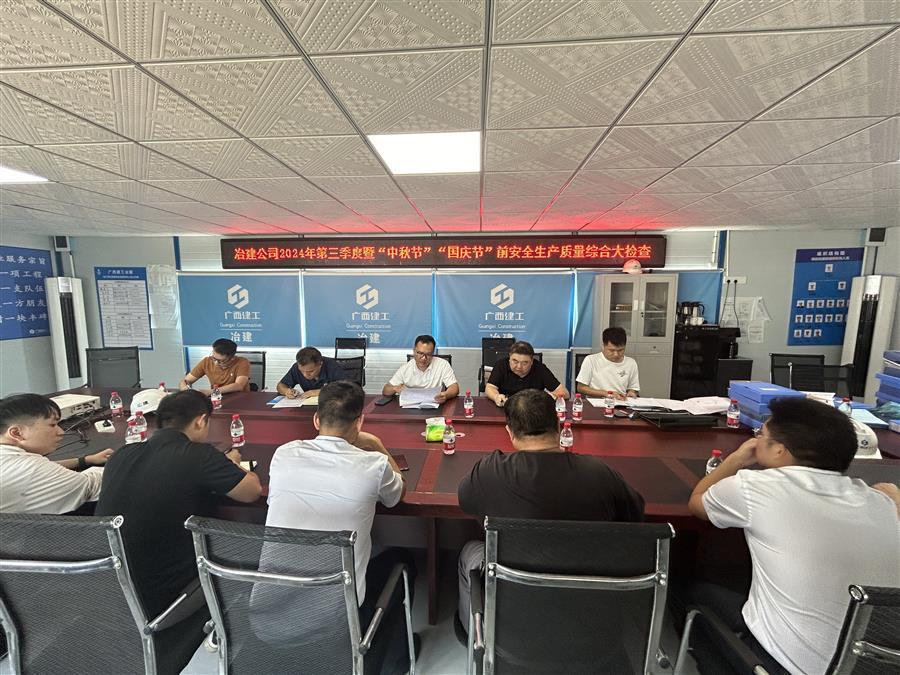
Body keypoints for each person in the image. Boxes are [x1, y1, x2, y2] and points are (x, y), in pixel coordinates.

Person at [687, 397, 900, 675]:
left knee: (693, 590)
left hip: (783, 667)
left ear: (779, 450)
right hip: (878, 663)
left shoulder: (754, 487)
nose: (756, 440)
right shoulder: (882, 503)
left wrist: (737, 458)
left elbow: (697, 502)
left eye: (761, 435)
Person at [253, 380, 415, 674]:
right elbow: (397, 494)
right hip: (338, 613)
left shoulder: (283, 455)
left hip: (269, 608)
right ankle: (395, 663)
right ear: (360, 422)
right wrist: (377, 446)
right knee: (403, 559)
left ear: (316, 419)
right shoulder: (374, 465)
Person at [456, 388, 645, 631]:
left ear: (509, 432)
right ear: (558, 425)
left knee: (469, 551)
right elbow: (635, 517)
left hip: (516, 607)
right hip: (588, 605)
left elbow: (466, 502)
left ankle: (473, 632)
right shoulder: (599, 473)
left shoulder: (489, 471)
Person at [96, 389, 261, 619]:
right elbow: (252, 492)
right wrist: (231, 464)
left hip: (108, 587)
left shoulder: (121, 455)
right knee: (243, 554)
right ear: (201, 420)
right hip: (166, 598)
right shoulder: (198, 454)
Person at [0, 393, 112, 514]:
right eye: (52, 425)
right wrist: (123, 459)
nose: (61, 432)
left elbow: (36, 468)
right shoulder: (31, 468)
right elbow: (94, 486)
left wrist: (85, 460)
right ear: (16, 433)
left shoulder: (11, 461)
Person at [485, 340, 568, 406]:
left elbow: (564, 393)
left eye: (524, 363)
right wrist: (496, 397)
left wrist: (546, 397)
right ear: (509, 358)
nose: (519, 366)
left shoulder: (540, 369)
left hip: (533, 410)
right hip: (506, 407)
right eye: (515, 361)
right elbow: (490, 387)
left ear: (531, 362)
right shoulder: (501, 365)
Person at [382, 334, 459, 403]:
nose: (423, 358)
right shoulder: (405, 368)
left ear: (433, 353)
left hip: (435, 405)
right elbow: (385, 390)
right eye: (420, 353)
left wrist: (446, 395)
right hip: (411, 406)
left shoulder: (442, 364)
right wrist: (395, 388)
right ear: (414, 351)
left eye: (428, 354)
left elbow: (454, 387)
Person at [576, 326, 639, 399]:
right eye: (611, 350)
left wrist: (631, 392)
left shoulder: (631, 363)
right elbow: (581, 388)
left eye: (620, 350)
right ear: (603, 346)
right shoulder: (591, 360)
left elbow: (633, 388)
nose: (616, 354)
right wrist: (606, 393)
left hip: (621, 401)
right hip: (597, 402)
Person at [179, 338, 250, 394]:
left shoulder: (242, 362)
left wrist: (211, 392)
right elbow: (186, 380)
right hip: (216, 398)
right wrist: (184, 388)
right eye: (214, 358)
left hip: (238, 398)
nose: (216, 362)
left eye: (221, 361)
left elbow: (239, 385)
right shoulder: (207, 361)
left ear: (232, 358)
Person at [276, 346, 346, 400]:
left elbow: (347, 389)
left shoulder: (332, 366)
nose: (305, 375)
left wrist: (317, 392)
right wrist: (286, 391)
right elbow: (280, 385)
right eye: (301, 371)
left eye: (310, 371)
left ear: (320, 364)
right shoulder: (296, 367)